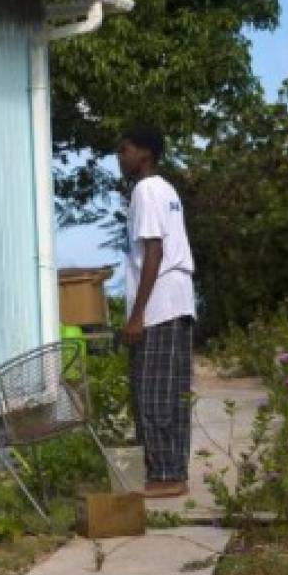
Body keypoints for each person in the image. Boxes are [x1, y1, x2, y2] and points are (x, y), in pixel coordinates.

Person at [117, 127, 196, 499]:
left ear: (144, 153)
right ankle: (172, 471)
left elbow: (154, 251)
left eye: (126, 149)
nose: (121, 157)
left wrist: (137, 315)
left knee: (152, 393)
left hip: (161, 302)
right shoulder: (167, 189)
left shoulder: (146, 190)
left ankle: (165, 474)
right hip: (178, 299)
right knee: (172, 391)